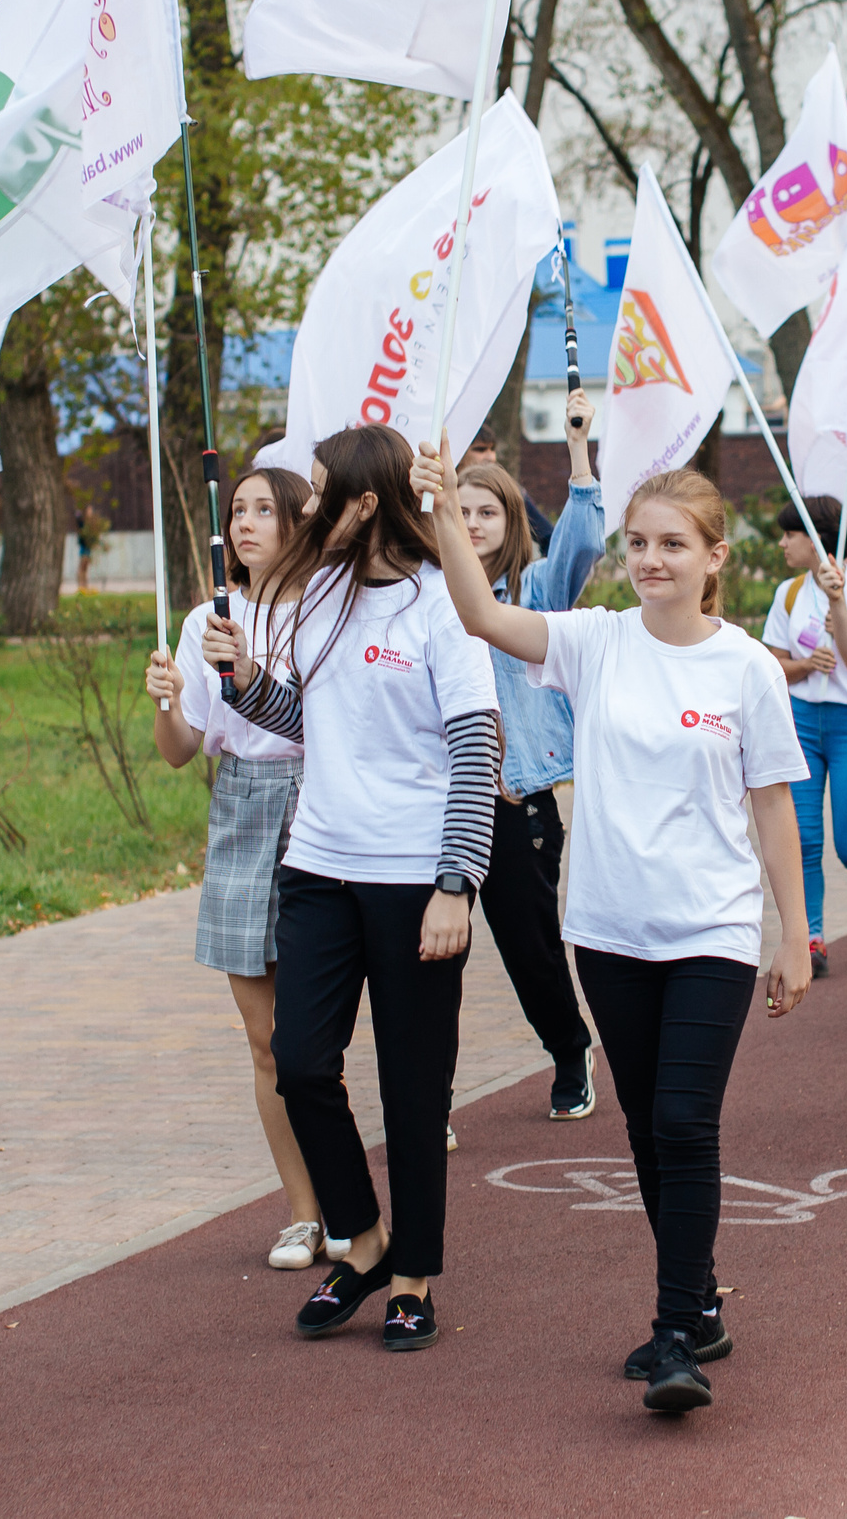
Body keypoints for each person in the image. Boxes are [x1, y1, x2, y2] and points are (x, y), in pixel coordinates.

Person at [415, 452, 813, 1414]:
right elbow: (482, 616)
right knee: (645, 1129)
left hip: (712, 930)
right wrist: (437, 513)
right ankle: (701, 1299)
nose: (650, 559)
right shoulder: (595, 641)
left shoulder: (748, 667)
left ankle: (676, 1328)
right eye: (638, 543)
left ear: (715, 556)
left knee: (684, 1121)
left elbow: (771, 809)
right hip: (607, 928)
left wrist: (792, 932)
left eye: (673, 544)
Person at [202, 425, 500, 1355]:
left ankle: (412, 1275)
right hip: (319, 868)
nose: (302, 504)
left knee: (414, 1090)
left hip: (416, 879)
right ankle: (362, 1240)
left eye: (319, 489)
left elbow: (475, 745)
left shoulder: (441, 607)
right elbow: (303, 720)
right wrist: (242, 677)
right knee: (300, 1063)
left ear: (363, 505)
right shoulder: (320, 597)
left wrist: (457, 882)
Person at [142, 464, 330, 1272]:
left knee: (314, 1041)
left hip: (323, 806)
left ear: (298, 520)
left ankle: (350, 1197)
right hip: (244, 810)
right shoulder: (205, 619)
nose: (246, 522)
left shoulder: (329, 610)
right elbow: (183, 751)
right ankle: (303, 1211)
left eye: (265, 507)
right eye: (239, 508)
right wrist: (165, 700)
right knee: (266, 1040)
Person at [455, 390, 605, 1120]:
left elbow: (581, 542)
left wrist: (577, 449)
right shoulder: (429, 595)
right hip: (440, 800)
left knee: (530, 947)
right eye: (461, 511)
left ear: (510, 521)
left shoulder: (537, 588)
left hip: (518, 798)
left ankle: (568, 1045)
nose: (473, 523)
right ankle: (430, 1088)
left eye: (487, 511)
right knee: (428, 954)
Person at [761, 494, 847, 977]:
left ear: (818, 538)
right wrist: (802, 664)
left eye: (790, 534)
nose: (782, 543)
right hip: (800, 725)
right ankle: (812, 938)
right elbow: (771, 664)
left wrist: (846, 635)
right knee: (807, 841)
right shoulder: (789, 594)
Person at [459, 421, 555, 550]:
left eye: (492, 449)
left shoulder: (507, 491)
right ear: (460, 451)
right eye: (480, 449)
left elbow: (549, 537)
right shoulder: (435, 493)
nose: (491, 457)